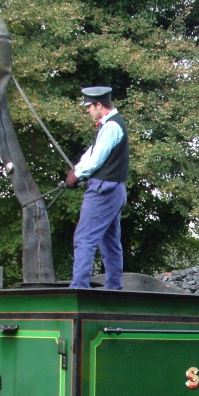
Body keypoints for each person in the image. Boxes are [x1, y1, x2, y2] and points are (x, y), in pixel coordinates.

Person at [65, 85, 129, 290]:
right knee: (110, 244)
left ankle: (79, 288)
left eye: (89, 107)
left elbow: (96, 161)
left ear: (99, 105)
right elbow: (91, 154)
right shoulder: (109, 125)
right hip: (115, 190)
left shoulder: (111, 127)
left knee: (84, 239)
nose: (87, 110)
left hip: (103, 191)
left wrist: (75, 175)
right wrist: (77, 168)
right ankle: (113, 288)